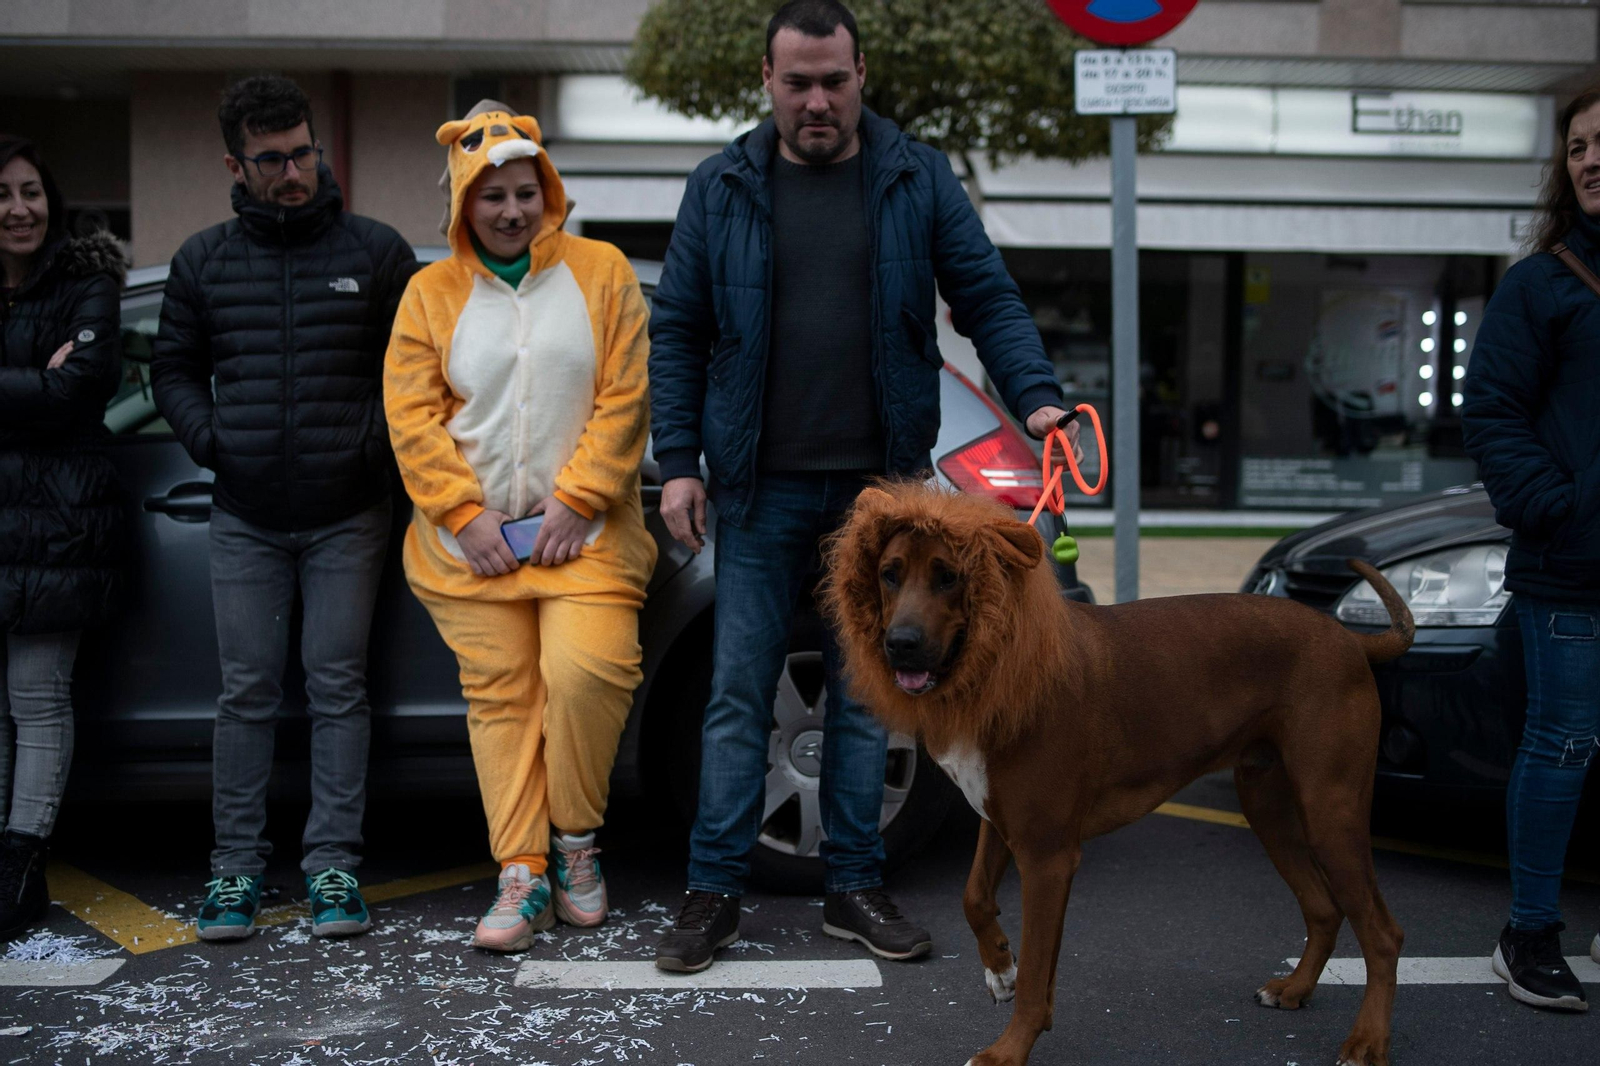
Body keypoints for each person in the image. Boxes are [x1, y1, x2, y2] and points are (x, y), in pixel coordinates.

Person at [648, 0, 1078, 974]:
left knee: (866, 694)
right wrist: (678, 459)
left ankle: (853, 884)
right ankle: (712, 891)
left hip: (880, 503)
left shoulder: (912, 175)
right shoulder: (719, 187)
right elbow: (675, 328)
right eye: (796, 82)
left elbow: (984, 294)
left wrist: (1038, 401)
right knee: (736, 690)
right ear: (766, 81)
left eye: (832, 81)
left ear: (861, 75)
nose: (815, 100)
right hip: (756, 491)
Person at [150, 76, 417, 942]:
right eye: (273, 159)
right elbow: (174, 370)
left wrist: (369, 448)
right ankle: (233, 875)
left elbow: (416, 371)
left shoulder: (376, 251)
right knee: (247, 692)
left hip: (351, 512)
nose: (295, 170)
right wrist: (215, 441)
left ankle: (333, 866)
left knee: (339, 689)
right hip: (247, 513)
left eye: (304, 152)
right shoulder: (202, 261)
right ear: (237, 164)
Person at [384, 103, 655, 952]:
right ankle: (520, 872)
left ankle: (577, 843)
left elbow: (626, 392)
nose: (510, 210)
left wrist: (581, 498)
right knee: (501, 697)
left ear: (550, 193)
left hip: (586, 536)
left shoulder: (603, 271)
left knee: (587, 675)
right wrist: (464, 516)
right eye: (491, 195)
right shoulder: (430, 292)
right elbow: (412, 414)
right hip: (475, 547)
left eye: (524, 192)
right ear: (464, 204)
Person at [1463, 86, 1600, 1013]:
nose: (1591, 158)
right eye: (1580, 145)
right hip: (1571, 567)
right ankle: (1531, 934)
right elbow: (1493, 415)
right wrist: (1560, 508)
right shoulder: (1541, 285)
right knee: (1563, 741)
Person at [0, 137, 126, 940]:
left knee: (36, 698)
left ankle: (20, 866)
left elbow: (82, 388)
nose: (18, 208)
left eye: (31, 192)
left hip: (58, 519)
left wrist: (56, 388)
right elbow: (50, 393)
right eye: (3, 193)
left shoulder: (89, 282)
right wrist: (36, 387)